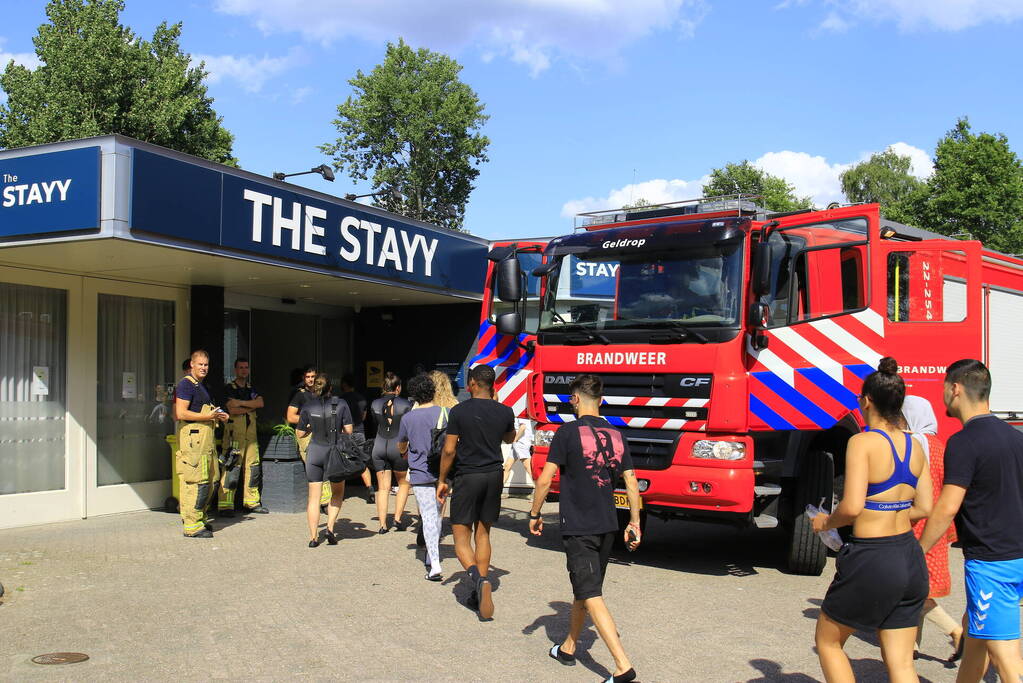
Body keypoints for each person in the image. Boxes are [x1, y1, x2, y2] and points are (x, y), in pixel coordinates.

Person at [811, 357, 932, 683]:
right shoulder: (915, 446)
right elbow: (925, 507)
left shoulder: (861, 442)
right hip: (909, 557)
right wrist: (889, 511)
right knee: (902, 663)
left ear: (866, 401)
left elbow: (850, 507)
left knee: (828, 641)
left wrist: (825, 523)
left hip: (872, 557)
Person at [529, 373, 640, 683]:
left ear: (574, 399)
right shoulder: (618, 435)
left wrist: (535, 513)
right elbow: (631, 481)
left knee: (590, 591)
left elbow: (544, 478)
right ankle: (568, 647)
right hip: (608, 525)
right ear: (600, 400)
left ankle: (622, 666)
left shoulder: (566, 433)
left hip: (580, 526)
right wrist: (634, 522)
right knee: (586, 589)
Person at [919, 359, 1023, 683]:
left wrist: (918, 549)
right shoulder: (1016, 437)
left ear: (956, 389)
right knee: (975, 637)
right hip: (1017, 555)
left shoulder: (963, 442)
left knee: (1005, 657)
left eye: (944, 390)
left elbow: (948, 506)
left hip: (992, 564)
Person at [437, 364, 516, 620]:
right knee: (484, 533)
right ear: (492, 385)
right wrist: (501, 411)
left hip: (468, 476)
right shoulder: (505, 411)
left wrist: (442, 479)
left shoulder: (459, 411)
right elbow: (509, 438)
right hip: (494, 475)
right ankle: (479, 589)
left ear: (472, 384)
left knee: (461, 537)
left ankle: (478, 579)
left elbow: (449, 450)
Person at [902, 395, 962, 661]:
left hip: (916, 524)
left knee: (913, 589)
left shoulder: (912, 445)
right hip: (937, 524)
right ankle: (913, 645)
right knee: (919, 587)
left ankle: (956, 632)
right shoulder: (938, 445)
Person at [398, 373, 448, 581]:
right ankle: (430, 553)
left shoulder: (409, 417)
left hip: (420, 471)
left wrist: (404, 453)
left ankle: (434, 563)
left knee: (427, 515)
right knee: (437, 514)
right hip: (443, 471)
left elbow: (402, 443)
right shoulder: (446, 413)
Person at [173, 350, 229, 538]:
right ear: (192, 365)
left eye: (206, 365)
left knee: (211, 480)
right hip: (193, 441)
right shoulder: (185, 385)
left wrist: (220, 415)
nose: (204, 368)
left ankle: (201, 519)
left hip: (206, 440)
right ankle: (191, 525)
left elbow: (206, 410)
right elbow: (181, 413)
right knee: (196, 482)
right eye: (200, 364)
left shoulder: (201, 386)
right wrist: (208, 416)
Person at [296, 373, 353, 548]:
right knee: (337, 492)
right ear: (330, 388)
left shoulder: (307, 406)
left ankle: (313, 538)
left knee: (314, 497)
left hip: (314, 451)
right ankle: (329, 527)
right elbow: (349, 430)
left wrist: (308, 428)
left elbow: (299, 433)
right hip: (333, 452)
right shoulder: (341, 404)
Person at [217, 357, 269, 516]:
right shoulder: (228, 388)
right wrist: (249, 406)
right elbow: (231, 410)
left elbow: (260, 403)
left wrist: (240, 403)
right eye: (241, 367)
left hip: (250, 436)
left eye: (246, 367)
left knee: (253, 468)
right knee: (232, 467)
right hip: (234, 435)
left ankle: (251, 502)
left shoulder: (252, 388)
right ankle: (225, 505)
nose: (244, 370)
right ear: (235, 370)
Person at [369, 372, 413, 533]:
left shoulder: (374, 403)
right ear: (398, 388)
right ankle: (397, 518)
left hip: (379, 445)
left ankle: (382, 524)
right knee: (403, 483)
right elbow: (408, 428)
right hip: (398, 446)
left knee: (382, 487)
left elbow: (375, 423)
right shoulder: (406, 404)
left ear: (384, 387)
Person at [288, 366, 330, 508]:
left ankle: (326, 499)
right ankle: (322, 501)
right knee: (314, 466)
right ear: (303, 379)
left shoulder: (321, 394)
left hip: (322, 434)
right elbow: (290, 416)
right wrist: (309, 421)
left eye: (313, 376)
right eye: (308, 377)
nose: (311, 379)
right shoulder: (299, 395)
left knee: (326, 464)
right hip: (306, 435)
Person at [340, 374, 375, 500]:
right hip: (359, 432)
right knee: (362, 461)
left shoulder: (340, 400)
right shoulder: (362, 399)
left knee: (341, 461)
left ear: (344, 384)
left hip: (344, 433)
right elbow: (364, 417)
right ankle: (370, 488)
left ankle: (340, 493)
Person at [502, 417, 535, 495]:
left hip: (521, 443)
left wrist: (515, 439)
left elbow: (523, 427)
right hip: (517, 443)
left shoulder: (522, 413)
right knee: (507, 466)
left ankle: (539, 491)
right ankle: (498, 491)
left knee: (528, 467)